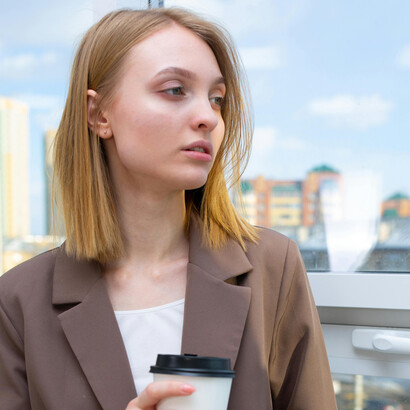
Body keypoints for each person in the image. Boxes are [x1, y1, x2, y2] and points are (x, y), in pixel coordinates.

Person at [0, 7, 337, 410]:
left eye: (217, 99)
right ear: (98, 114)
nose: (208, 118)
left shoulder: (273, 268)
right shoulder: (18, 301)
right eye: (175, 90)